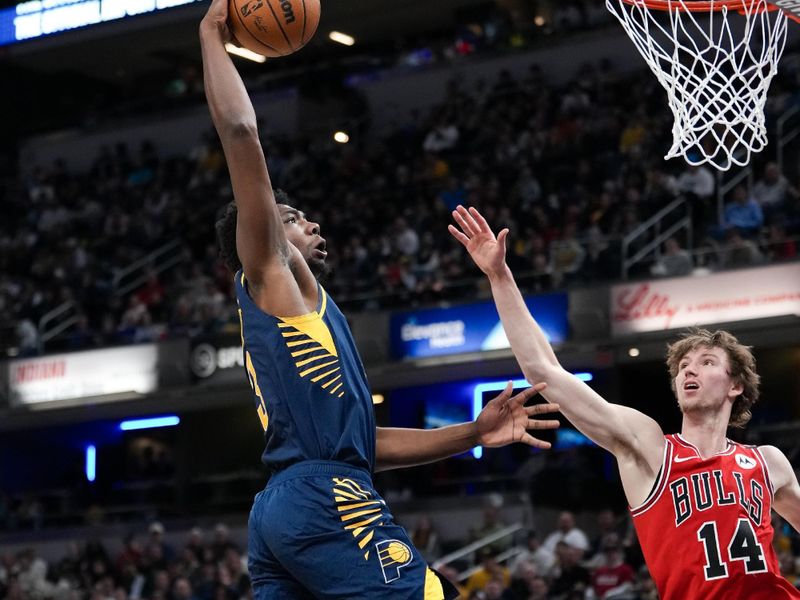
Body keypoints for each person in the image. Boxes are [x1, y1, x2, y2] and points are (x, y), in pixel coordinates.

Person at [198, 3, 561, 598]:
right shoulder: (268, 275)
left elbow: (365, 447)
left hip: (294, 503)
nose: (309, 223)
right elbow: (241, 133)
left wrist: (472, 432)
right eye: (290, 218)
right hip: (322, 498)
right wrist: (212, 33)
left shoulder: (312, 317)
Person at [449, 205, 800, 600]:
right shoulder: (650, 448)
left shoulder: (768, 462)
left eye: (706, 362)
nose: (689, 371)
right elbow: (543, 369)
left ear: (735, 385)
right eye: (683, 365)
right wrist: (500, 275)